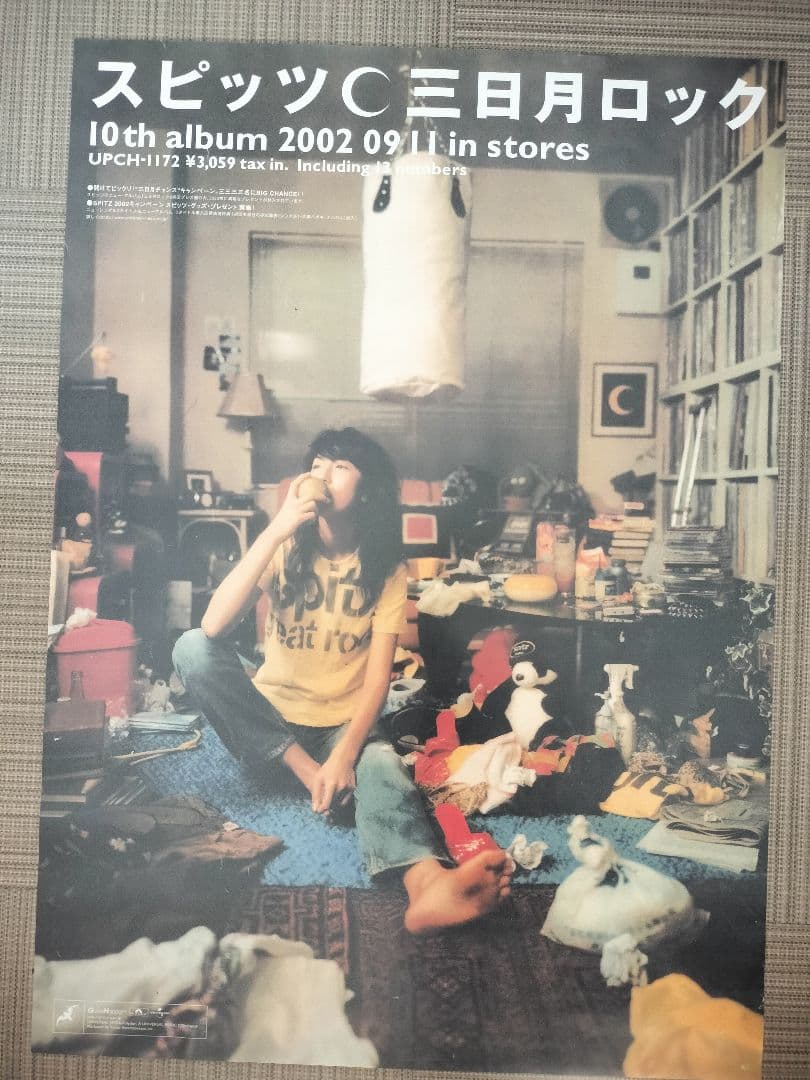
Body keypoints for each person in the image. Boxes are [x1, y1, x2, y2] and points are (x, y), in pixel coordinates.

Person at [173, 427, 512, 933]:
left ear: (367, 490)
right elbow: (213, 626)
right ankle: (308, 777)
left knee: (382, 763)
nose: (321, 475)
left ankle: (427, 885)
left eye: (339, 467)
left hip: (340, 729)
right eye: (316, 465)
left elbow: (378, 680)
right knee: (191, 647)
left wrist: (344, 755)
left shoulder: (386, 570)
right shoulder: (284, 546)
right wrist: (276, 529)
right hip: (271, 732)